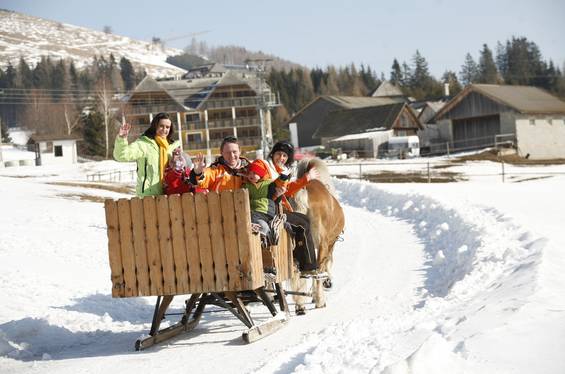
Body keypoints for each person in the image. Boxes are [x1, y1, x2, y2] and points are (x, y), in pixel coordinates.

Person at [259, 141, 321, 272]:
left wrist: (306, 179)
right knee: (302, 225)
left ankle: (300, 258)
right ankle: (307, 265)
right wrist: (276, 195)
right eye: (278, 154)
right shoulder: (266, 168)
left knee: (305, 219)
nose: (281, 158)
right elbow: (262, 191)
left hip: (276, 208)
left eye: (284, 156)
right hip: (267, 210)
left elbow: (287, 190)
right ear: (273, 154)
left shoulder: (282, 171)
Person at [113, 112, 180, 197]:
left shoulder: (171, 148)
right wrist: (122, 139)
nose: (164, 129)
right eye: (161, 126)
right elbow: (121, 156)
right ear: (155, 126)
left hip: (168, 194)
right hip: (148, 195)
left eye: (167, 127)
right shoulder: (144, 144)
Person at [243, 159, 290, 241]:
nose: (251, 175)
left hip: (269, 212)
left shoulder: (268, 184)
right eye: (249, 173)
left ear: (261, 174)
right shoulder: (247, 186)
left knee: (274, 226)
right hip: (256, 212)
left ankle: (281, 230)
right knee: (263, 226)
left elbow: (278, 184)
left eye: (254, 173)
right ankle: (263, 240)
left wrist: (283, 178)